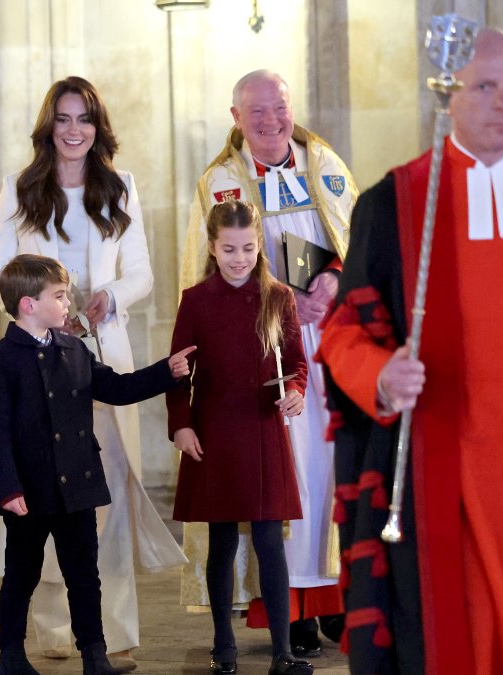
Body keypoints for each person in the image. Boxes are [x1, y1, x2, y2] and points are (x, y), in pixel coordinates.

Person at [319, 28, 503, 674]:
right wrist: (382, 374)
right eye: (484, 87)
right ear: (450, 95)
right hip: (447, 464)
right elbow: (342, 331)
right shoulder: (396, 203)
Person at [0, 76, 185, 669]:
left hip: (101, 352)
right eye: (64, 119)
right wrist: (37, 308)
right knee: (43, 491)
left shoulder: (119, 188)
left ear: (97, 127)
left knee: (105, 493)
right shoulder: (21, 188)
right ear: (49, 126)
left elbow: (142, 271)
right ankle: (52, 629)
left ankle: (113, 632)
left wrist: (109, 298)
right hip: (35, 351)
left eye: (84, 119)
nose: (74, 130)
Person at [180, 69, 355, 654]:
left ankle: (334, 598)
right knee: (285, 475)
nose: (270, 120)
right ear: (236, 117)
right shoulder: (220, 183)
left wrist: (333, 281)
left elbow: (354, 239)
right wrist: (279, 304)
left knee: (330, 467)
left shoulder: (323, 163)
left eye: (278, 106)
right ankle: (291, 610)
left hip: (329, 346)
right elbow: (204, 276)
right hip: (265, 355)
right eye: (256, 111)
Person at [0, 254, 192, 675]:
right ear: (28, 304)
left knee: (84, 574)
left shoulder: (73, 348)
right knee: (22, 574)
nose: (67, 303)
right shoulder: (1, 361)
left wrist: (166, 372)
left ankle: (94, 654)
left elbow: (115, 387)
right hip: (30, 489)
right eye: (59, 296)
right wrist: (8, 490)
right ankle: (11, 655)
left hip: (77, 482)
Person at [168, 200, 311, 675]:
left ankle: (282, 651)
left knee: (271, 541)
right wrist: (182, 423)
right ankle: (223, 644)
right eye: (229, 249)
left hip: (263, 429)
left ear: (258, 247)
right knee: (222, 540)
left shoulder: (278, 297)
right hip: (214, 431)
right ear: (212, 247)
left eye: (248, 248)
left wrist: (294, 391)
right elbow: (178, 373)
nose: (239, 258)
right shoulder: (195, 299)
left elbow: (295, 362)